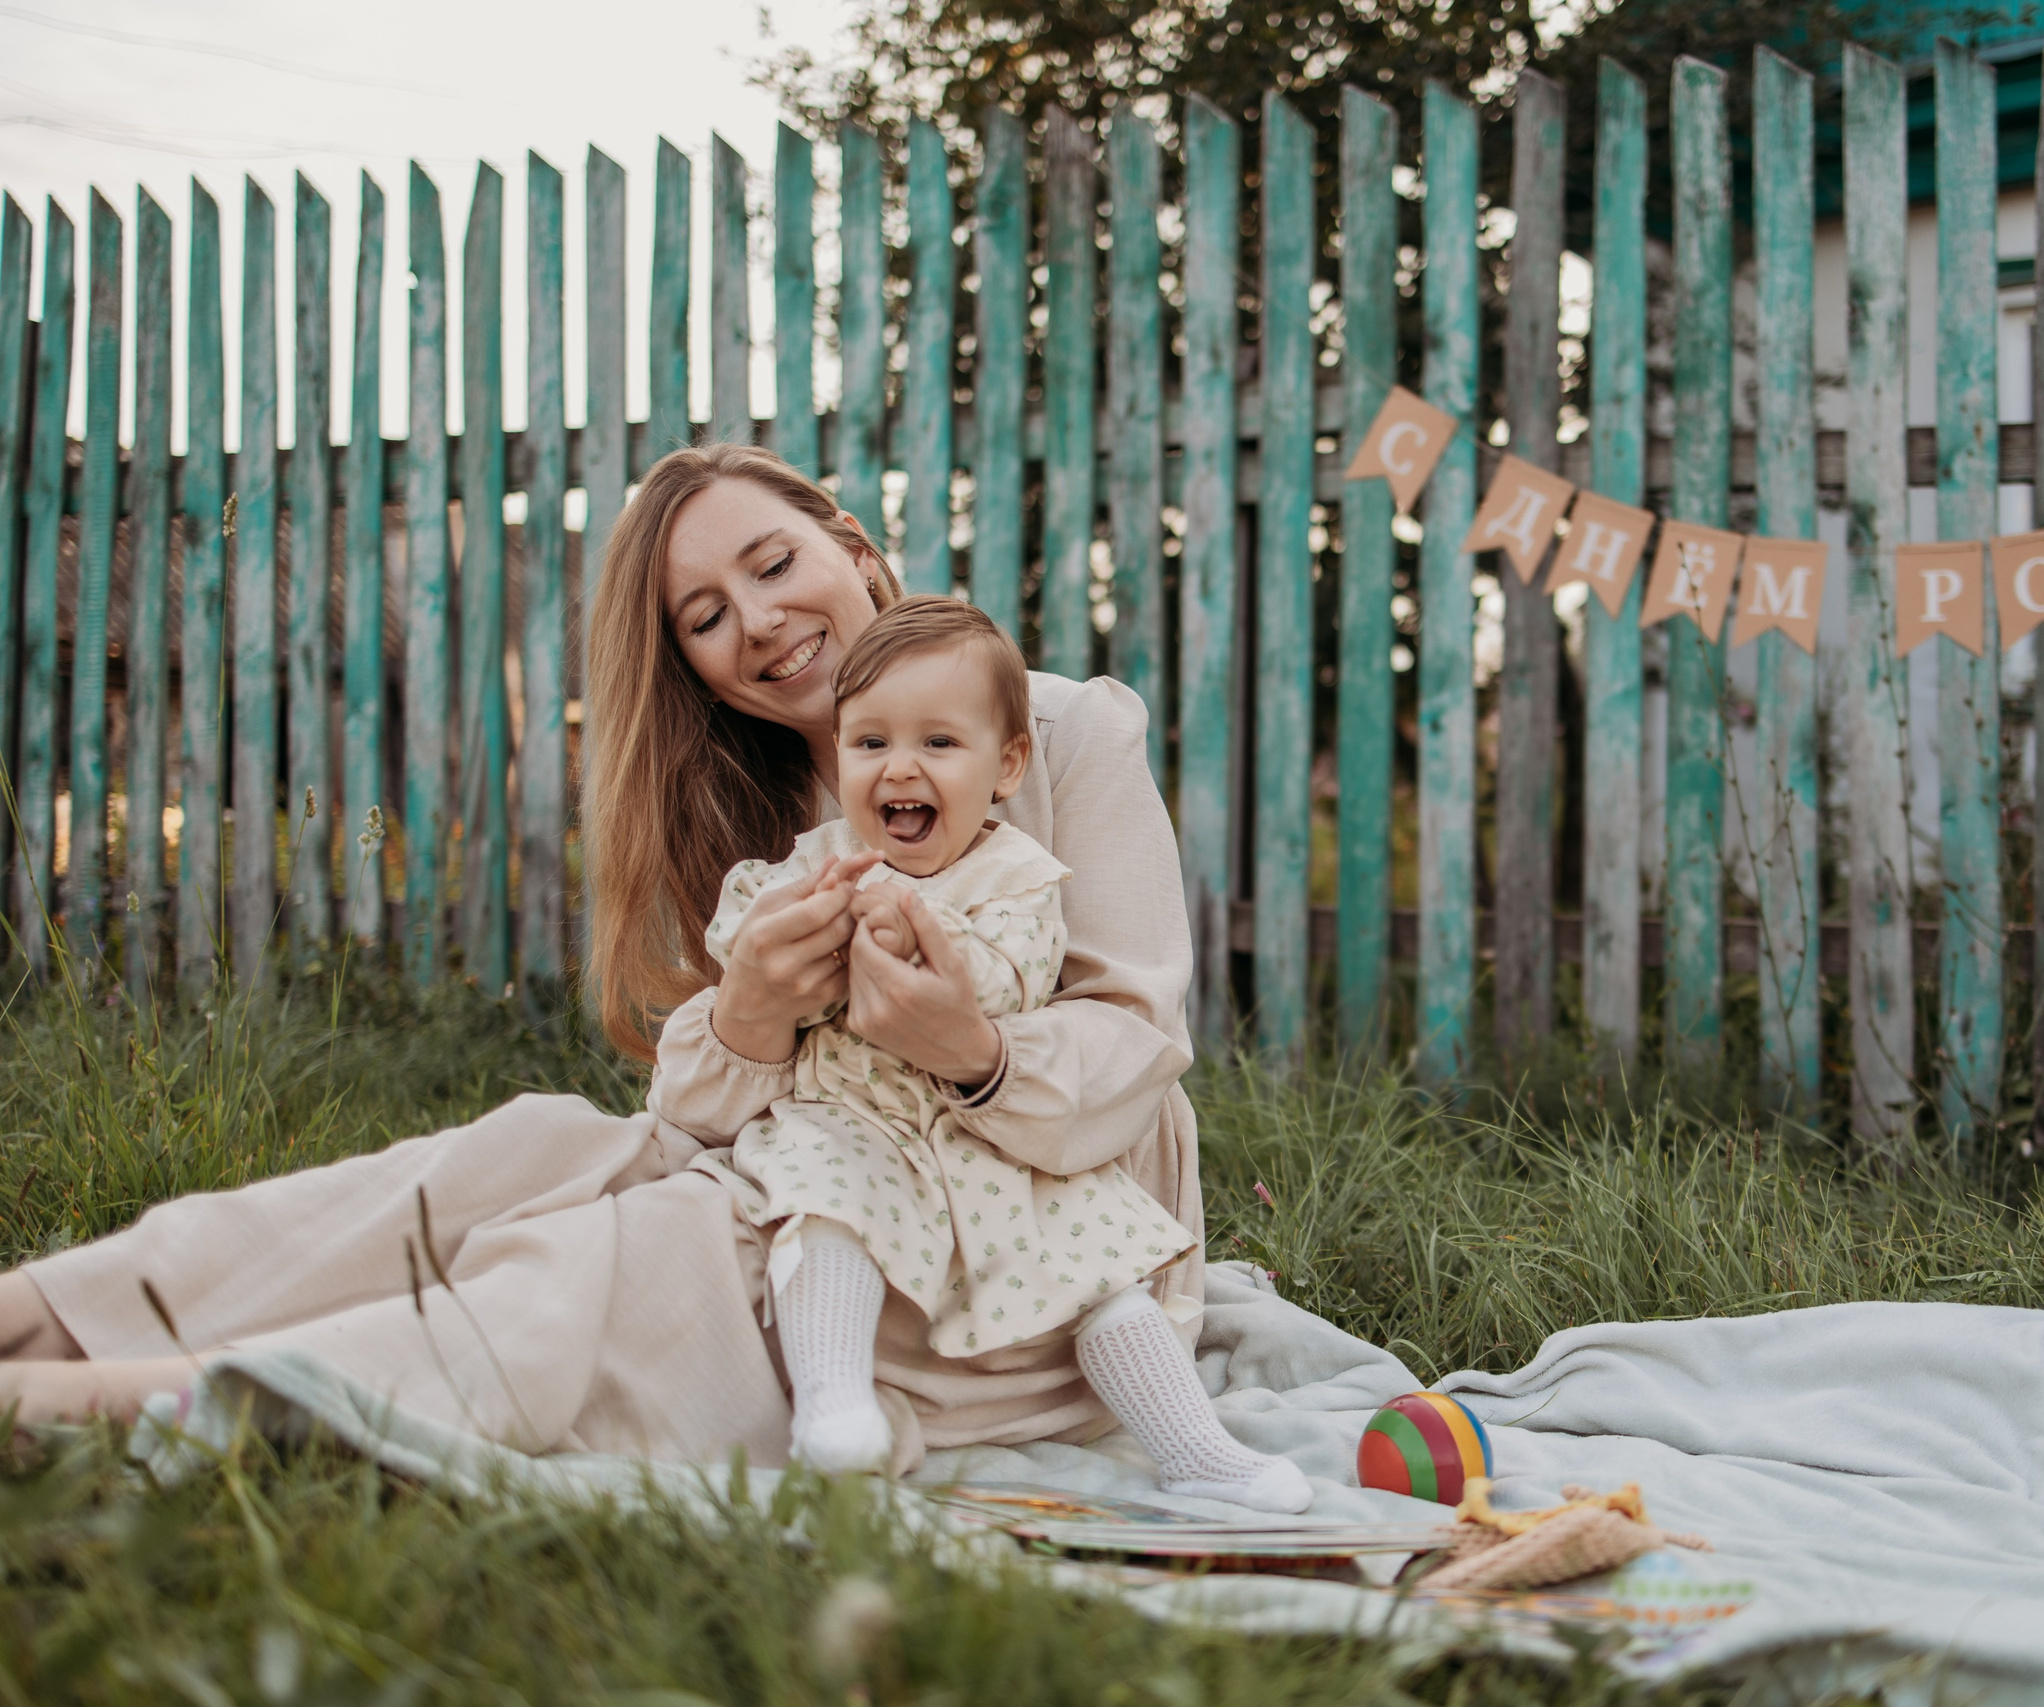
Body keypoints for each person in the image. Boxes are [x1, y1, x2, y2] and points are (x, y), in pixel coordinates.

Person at [0, 444, 1228, 1487]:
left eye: (772, 565)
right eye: (704, 618)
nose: (756, 623)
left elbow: (1138, 1039)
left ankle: (152, 1401)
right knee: (531, 1148)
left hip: (1036, 1222)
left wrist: (969, 1046)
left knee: (652, 1252)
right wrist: (747, 1014)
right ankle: (49, 1314)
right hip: (825, 1159)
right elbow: (695, 1114)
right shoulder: (747, 807)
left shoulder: (1060, 730)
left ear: (851, 548)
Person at [709, 595, 1305, 1510]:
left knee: (1102, 1271)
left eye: (938, 744)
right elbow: (744, 933)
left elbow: (1012, 978)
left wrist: (916, 939)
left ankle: (1197, 1451)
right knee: (824, 1211)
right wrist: (781, 935)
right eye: (869, 744)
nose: (898, 767)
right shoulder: (825, 861)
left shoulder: (1015, 873)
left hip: (992, 1139)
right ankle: (834, 1411)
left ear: (1005, 765)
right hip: (852, 1120)